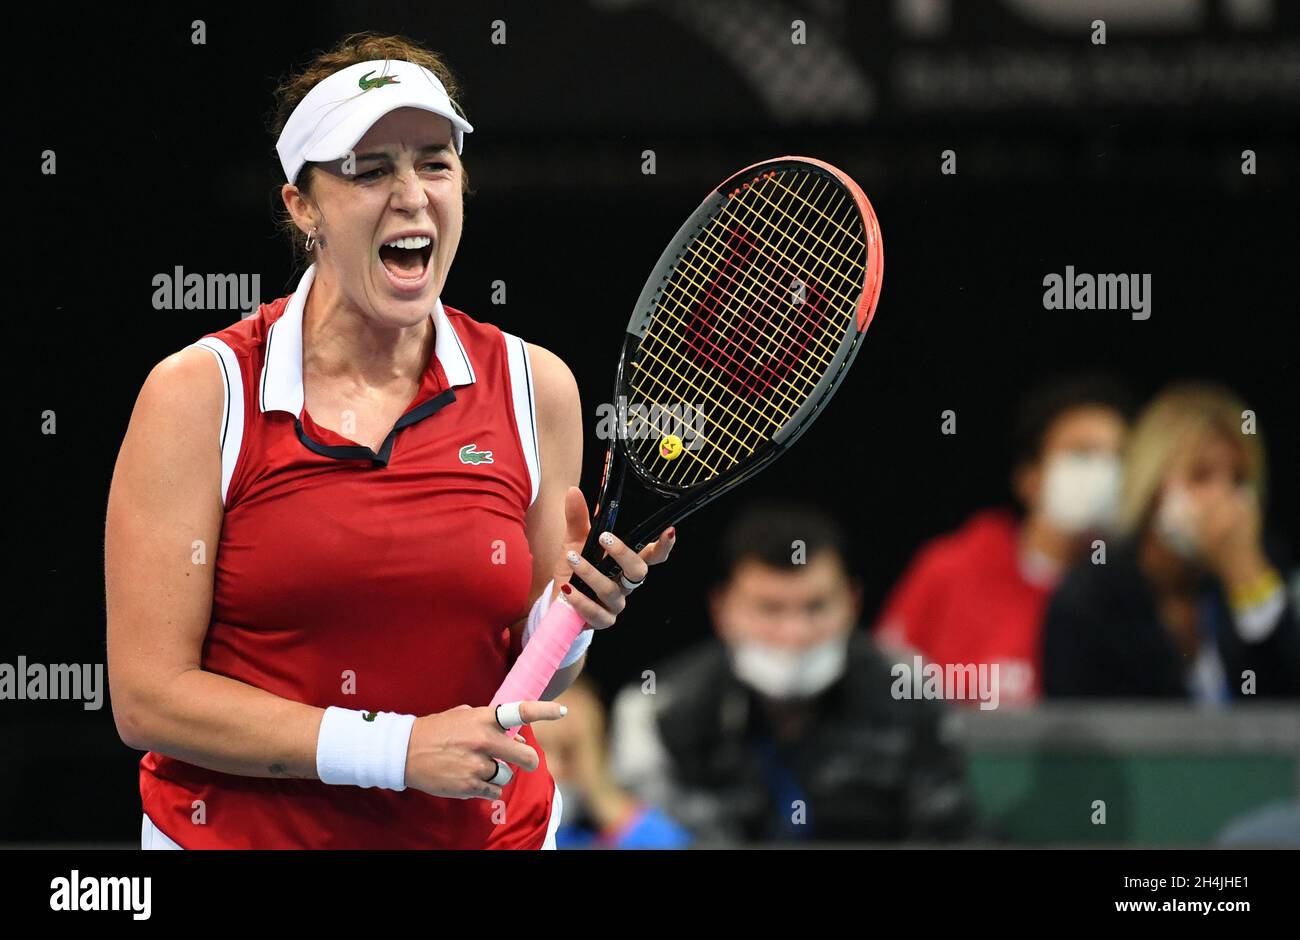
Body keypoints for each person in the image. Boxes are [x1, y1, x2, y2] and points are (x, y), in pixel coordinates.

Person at [105, 32, 676, 849]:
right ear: (301, 206)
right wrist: (395, 750)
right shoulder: (201, 396)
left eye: (435, 163)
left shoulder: (533, 386)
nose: (412, 196)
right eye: (370, 170)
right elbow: (147, 698)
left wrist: (574, 617)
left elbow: (530, 673)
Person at [608, 504, 977, 844]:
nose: (795, 634)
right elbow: (655, 837)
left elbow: (951, 834)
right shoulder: (656, 710)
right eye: (770, 609)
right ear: (723, 611)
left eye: (816, 607)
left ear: (852, 603)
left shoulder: (911, 690)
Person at [875, 375, 1131, 705]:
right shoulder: (949, 568)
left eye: (1118, 458)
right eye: (1081, 453)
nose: (1102, 473)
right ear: (1029, 478)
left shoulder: (1137, 593)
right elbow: (883, 690)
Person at [1042, 381, 1300, 701]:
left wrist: (1249, 582)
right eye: (1200, 475)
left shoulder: (1264, 571)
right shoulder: (1091, 596)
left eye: (1238, 479)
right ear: (1152, 485)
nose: (1223, 498)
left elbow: (1283, 714)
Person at [531, 678, 692, 849]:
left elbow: (670, 843)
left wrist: (599, 793)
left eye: (569, 752)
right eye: (538, 748)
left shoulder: (626, 830)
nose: (553, 767)